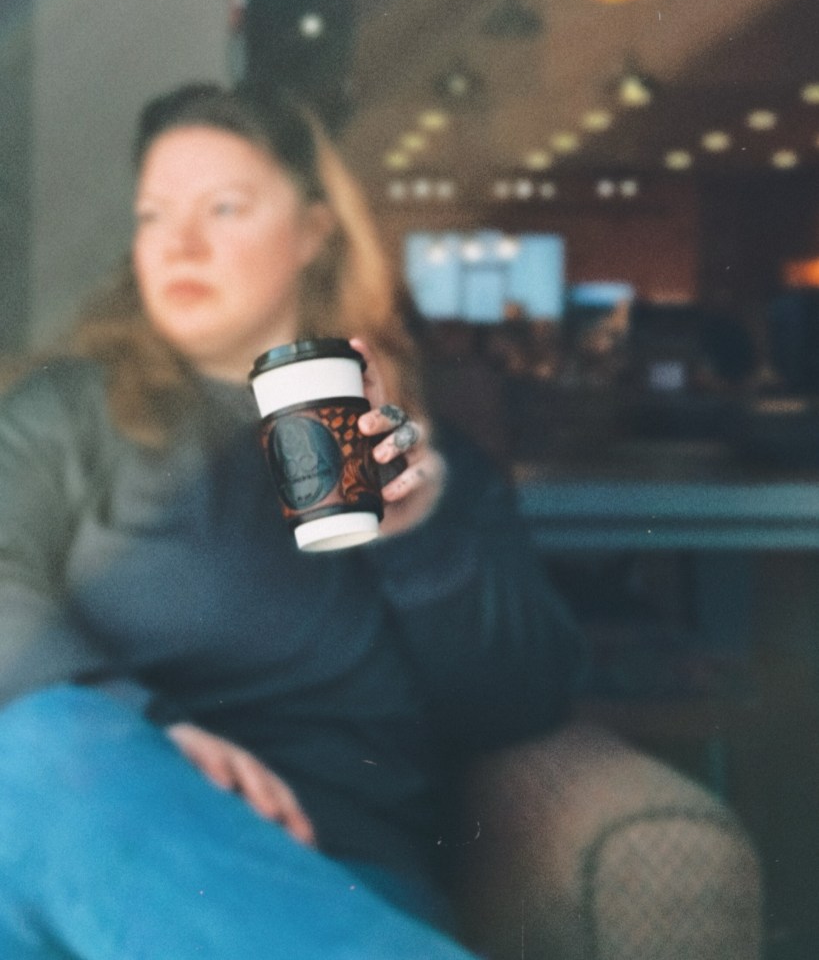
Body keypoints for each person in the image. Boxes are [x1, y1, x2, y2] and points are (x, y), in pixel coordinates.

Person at [0, 82, 583, 958]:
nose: (180, 243)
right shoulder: (65, 413)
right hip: (70, 837)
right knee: (37, 745)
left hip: (316, 875)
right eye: (155, 215)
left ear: (313, 232)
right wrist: (147, 728)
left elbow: (520, 703)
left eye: (223, 208)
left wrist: (417, 536)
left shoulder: (407, 451)